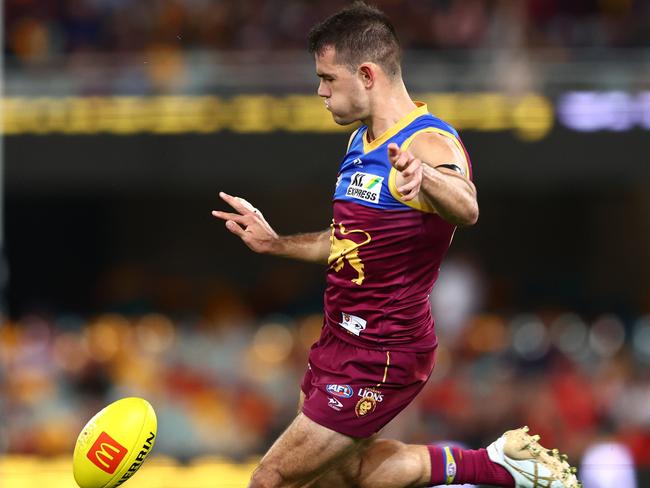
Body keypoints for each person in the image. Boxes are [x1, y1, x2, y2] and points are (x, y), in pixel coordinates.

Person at [212, 2, 581, 487]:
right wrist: (276, 243)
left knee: (270, 479)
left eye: (327, 78)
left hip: (383, 349)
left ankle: (493, 466)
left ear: (366, 74)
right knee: (341, 477)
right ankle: (496, 465)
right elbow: (346, 241)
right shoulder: (360, 142)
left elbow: (467, 205)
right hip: (337, 340)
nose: (320, 91)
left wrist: (423, 177)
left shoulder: (429, 143)